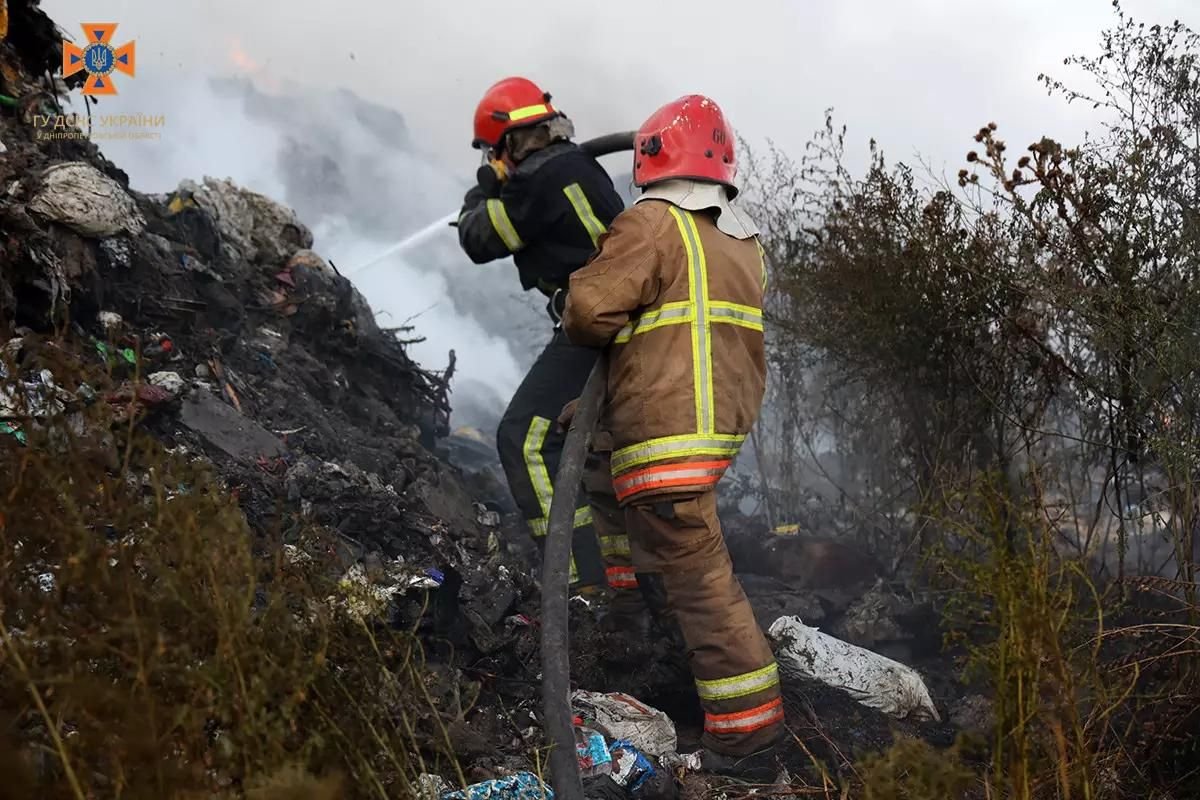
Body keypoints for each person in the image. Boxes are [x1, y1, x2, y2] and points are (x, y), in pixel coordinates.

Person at [560, 95, 783, 779]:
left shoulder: (653, 223)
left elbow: (589, 310)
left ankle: (746, 741)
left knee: (703, 588)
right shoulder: (743, 240)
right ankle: (635, 633)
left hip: (664, 438)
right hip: (706, 433)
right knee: (608, 487)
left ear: (652, 157)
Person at [455, 76, 634, 597]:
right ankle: (623, 588)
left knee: (526, 439)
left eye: (495, 151)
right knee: (602, 456)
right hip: (619, 321)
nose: (495, 159)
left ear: (508, 142)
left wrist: (485, 185)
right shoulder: (572, 165)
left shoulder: (538, 176)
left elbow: (480, 238)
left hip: (600, 322)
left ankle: (576, 585)